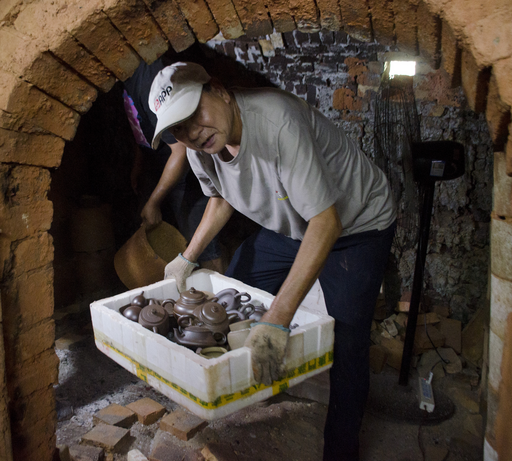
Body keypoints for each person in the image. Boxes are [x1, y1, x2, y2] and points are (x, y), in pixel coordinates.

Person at [152, 62, 396, 460]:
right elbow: (220, 196)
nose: (192, 132)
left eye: (195, 114)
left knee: (347, 342)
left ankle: (341, 452)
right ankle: (258, 378)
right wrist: (186, 258)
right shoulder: (202, 147)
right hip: (297, 221)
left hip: (355, 223)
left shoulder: (277, 122)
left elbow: (326, 221)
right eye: (179, 128)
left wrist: (278, 318)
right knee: (237, 285)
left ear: (220, 90)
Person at [123, 57, 225, 273]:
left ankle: (216, 292)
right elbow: (141, 125)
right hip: (157, 162)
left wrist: (153, 202)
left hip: (181, 170)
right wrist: (138, 164)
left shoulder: (149, 76)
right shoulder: (124, 78)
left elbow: (180, 151)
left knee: (205, 245)